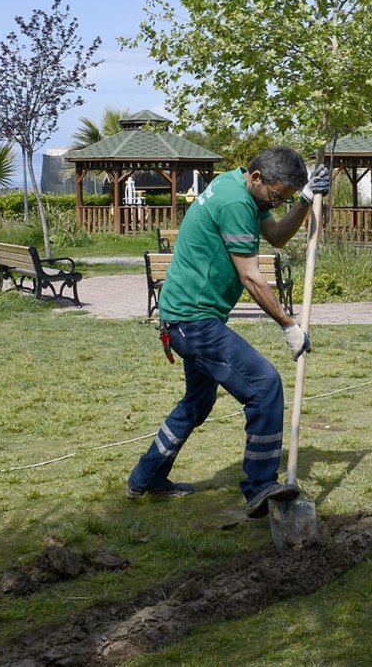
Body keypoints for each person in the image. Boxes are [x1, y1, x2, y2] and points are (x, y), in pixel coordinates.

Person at [126, 147, 331, 519]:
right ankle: (259, 487)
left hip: (188, 317)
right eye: (277, 196)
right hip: (193, 320)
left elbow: (277, 236)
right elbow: (251, 276)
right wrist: (289, 326)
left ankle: (146, 477)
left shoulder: (237, 187)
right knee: (265, 385)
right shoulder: (236, 203)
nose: (277, 201)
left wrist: (301, 203)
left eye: (284, 197)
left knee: (197, 403)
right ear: (256, 178)